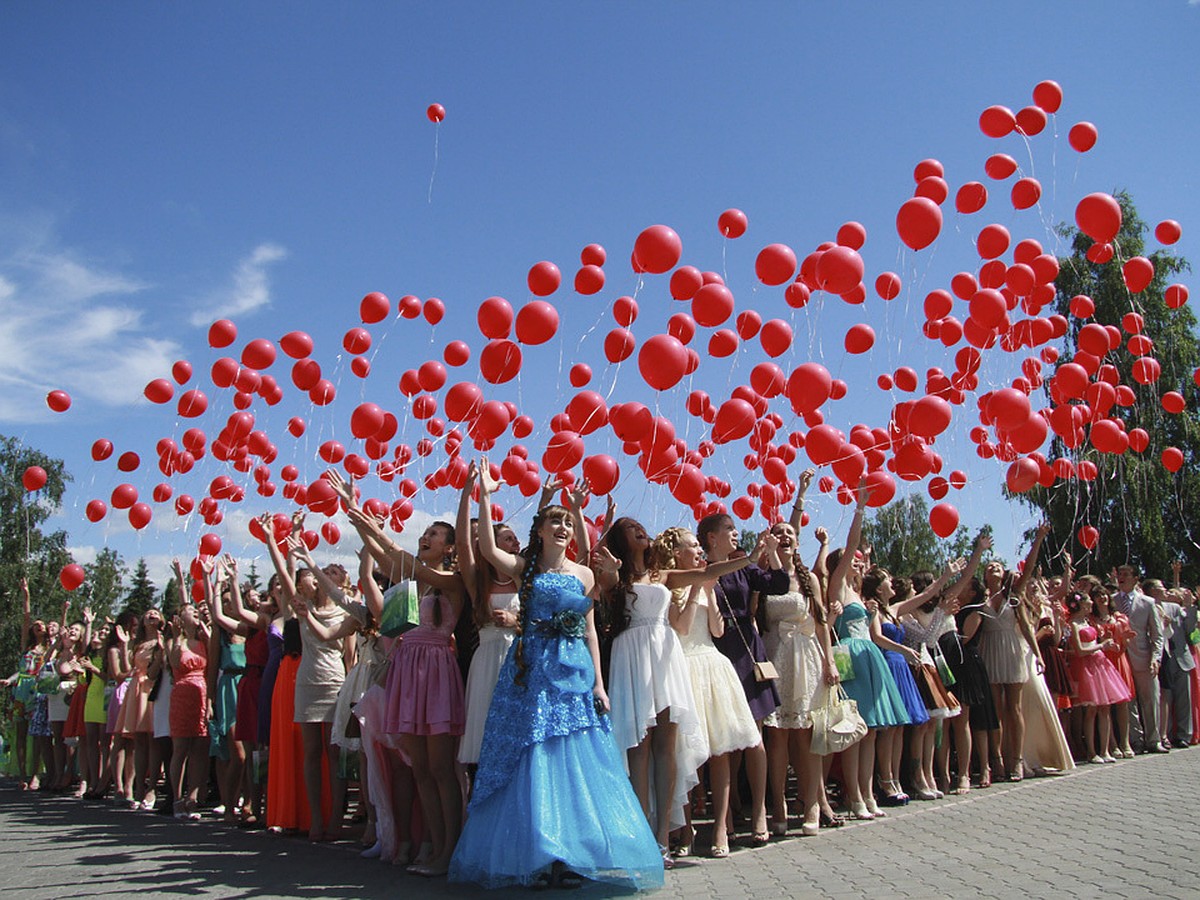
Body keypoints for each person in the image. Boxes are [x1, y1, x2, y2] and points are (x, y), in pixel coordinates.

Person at [449, 464, 662, 891]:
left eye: (567, 521)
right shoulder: (526, 567)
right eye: (555, 520)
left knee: (573, 758)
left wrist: (599, 684)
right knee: (532, 757)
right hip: (531, 670)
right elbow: (489, 549)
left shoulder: (584, 574)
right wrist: (485, 494)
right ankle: (537, 853)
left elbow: (589, 632)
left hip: (574, 672)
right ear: (541, 529)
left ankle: (568, 855)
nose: (563, 526)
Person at [655, 526, 761, 857]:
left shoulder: (707, 584)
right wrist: (697, 589)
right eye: (694, 546)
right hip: (682, 668)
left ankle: (720, 828)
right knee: (686, 753)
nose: (700, 551)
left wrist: (710, 593)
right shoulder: (669, 585)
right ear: (677, 553)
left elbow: (717, 629)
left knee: (721, 751)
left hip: (711, 665)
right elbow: (682, 627)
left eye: (701, 547)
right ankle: (685, 830)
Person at [697, 510, 786, 845]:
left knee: (755, 736)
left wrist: (773, 553)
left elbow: (778, 584)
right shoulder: (702, 569)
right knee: (725, 741)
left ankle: (760, 810)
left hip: (749, 653)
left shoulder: (745, 567)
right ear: (711, 538)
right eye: (729, 529)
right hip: (719, 653)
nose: (736, 534)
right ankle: (728, 811)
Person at [825, 486, 911, 819]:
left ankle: (868, 792)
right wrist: (859, 509)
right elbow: (849, 549)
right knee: (855, 729)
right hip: (850, 657)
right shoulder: (838, 584)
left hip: (869, 657)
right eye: (855, 562)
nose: (859, 565)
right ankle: (855, 796)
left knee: (872, 729)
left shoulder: (858, 593)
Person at [761, 514, 838, 836]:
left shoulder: (809, 580)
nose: (785, 535)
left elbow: (822, 624)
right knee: (777, 737)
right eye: (778, 532)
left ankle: (811, 806)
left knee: (806, 736)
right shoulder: (763, 577)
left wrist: (829, 662)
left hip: (805, 657)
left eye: (790, 532)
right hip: (774, 656)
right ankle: (777, 806)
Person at [963, 523, 1048, 782]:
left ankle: (1017, 760)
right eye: (990, 567)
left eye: (998, 566)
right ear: (985, 575)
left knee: (1015, 708)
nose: (994, 569)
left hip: (1012, 650)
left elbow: (1030, 567)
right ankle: (996, 760)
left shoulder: (1015, 594)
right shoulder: (981, 597)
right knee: (995, 710)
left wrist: (1039, 538)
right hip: (989, 651)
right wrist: (979, 550)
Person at [1113, 565, 1166, 753]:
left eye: (1126, 575)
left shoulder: (1148, 602)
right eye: (1120, 574)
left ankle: (1154, 739)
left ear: (1136, 579)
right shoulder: (1112, 601)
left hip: (1144, 658)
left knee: (1150, 699)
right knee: (1128, 702)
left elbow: (1157, 635)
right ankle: (1136, 740)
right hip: (1121, 658)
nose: (1122, 578)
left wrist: (1155, 658)